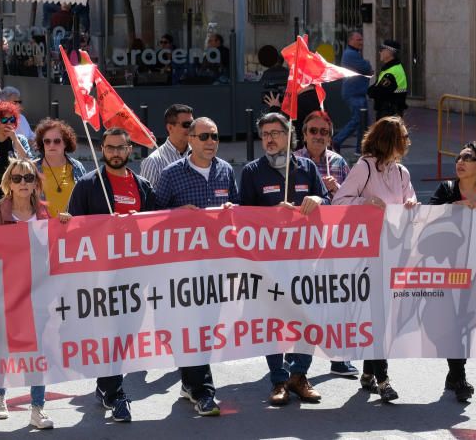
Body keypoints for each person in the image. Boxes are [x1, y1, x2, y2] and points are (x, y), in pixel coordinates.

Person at [65, 127, 156, 423]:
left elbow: (159, 226)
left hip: (136, 278)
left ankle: (105, 386)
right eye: (110, 147)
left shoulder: (142, 186)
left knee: (126, 336)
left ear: (130, 149)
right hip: (101, 279)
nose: (115, 152)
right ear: (102, 149)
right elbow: (72, 232)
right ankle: (117, 395)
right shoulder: (87, 186)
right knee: (108, 336)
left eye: (121, 147)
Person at [239, 111, 327, 406]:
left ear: (289, 136)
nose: (270, 139)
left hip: (305, 262)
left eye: (276, 133)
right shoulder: (251, 171)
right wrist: (270, 214)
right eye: (265, 134)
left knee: (307, 319)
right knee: (273, 322)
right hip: (269, 264)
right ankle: (278, 380)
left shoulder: (307, 168)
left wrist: (319, 200)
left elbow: (328, 202)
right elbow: (243, 218)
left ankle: (299, 375)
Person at [331, 116, 418, 403]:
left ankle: (368, 373)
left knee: (383, 316)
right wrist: (364, 203)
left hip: (394, 253)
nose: (406, 142)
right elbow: (339, 201)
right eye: (402, 137)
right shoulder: (365, 166)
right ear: (388, 140)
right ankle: (383, 379)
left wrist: (410, 205)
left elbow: (412, 202)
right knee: (377, 316)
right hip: (367, 255)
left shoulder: (402, 172)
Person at [154, 117, 237, 416]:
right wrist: (176, 213)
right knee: (191, 327)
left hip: (215, 265)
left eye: (215, 136)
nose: (211, 141)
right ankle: (202, 391)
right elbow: (153, 215)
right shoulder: (171, 174)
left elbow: (237, 210)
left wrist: (232, 211)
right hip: (182, 267)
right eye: (204, 136)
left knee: (208, 327)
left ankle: (190, 383)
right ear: (189, 139)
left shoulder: (226, 171)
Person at [0, 158, 54, 428]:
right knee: (3, 348)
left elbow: (57, 249)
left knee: (37, 350)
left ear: (36, 183)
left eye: (29, 178)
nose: (23, 183)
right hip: (3, 292)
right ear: (8, 182)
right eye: (18, 178)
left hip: (37, 292)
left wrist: (65, 223)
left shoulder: (45, 212)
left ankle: (37, 408)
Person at [429, 142, 476, 403]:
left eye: (468, 158)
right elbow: (428, 216)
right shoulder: (447, 189)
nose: (460, 161)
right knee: (454, 321)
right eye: (459, 157)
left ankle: (454, 375)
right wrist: (460, 208)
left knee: (462, 320)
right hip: (445, 267)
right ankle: (459, 376)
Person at [291, 110, 357, 378]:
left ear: (331, 137)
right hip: (299, 246)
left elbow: (352, 203)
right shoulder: (292, 163)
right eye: (313, 131)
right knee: (302, 305)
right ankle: (295, 367)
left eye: (324, 132)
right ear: (304, 134)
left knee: (336, 301)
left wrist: (335, 190)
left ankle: (339, 358)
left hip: (332, 244)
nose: (318, 136)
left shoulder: (339, 163)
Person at [33, 118, 86, 218]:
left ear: (65, 143)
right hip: (42, 229)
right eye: (47, 141)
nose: (51, 145)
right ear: (42, 143)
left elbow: (85, 199)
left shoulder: (77, 167)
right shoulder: (32, 168)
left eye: (57, 141)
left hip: (72, 228)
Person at [333, 31, 373, 154]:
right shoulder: (350, 54)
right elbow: (366, 67)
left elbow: (366, 68)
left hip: (358, 92)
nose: (361, 42)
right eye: (358, 40)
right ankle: (336, 141)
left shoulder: (354, 53)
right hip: (354, 93)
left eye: (361, 39)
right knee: (358, 120)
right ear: (350, 41)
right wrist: (367, 65)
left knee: (364, 121)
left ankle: (360, 149)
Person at [139, 104, 192, 187]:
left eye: (193, 124)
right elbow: (146, 197)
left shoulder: (198, 154)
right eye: (186, 125)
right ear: (170, 128)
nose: (191, 129)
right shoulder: (153, 162)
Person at [368, 40, 408, 119]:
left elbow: (376, 92)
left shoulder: (391, 72)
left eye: (382, 50)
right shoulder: (391, 69)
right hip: (391, 112)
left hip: (389, 113)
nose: (379, 52)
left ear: (389, 52)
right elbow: (376, 86)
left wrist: (370, 90)